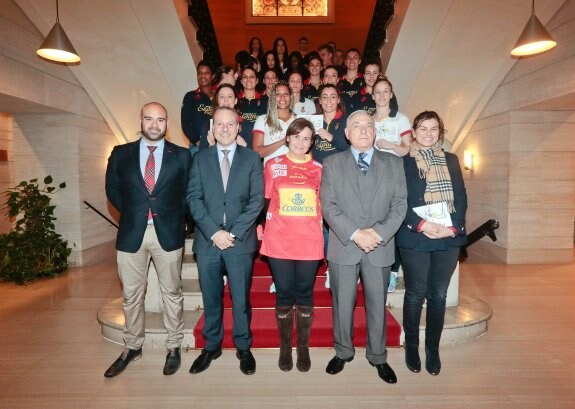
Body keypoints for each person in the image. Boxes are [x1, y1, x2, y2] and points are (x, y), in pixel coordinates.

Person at [104, 102, 191, 378]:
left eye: (161, 120)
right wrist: (134, 213)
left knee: (172, 294)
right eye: (149, 119)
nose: (155, 124)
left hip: (168, 232)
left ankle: (174, 345)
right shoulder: (120, 154)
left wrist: (179, 219)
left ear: (167, 124)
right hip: (132, 233)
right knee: (131, 296)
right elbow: (113, 190)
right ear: (140, 120)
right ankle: (132, 347)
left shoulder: (182, 155)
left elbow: (188, 193)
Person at [320, 110, 407, 384]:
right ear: (346, 133)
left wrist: (377, 234)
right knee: (342, 304)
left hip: (380, 247)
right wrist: (356, 234)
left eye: (368, 125)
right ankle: (343, 352)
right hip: (344, 245)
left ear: (375, 131)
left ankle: (378, 356)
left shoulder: (394, 164)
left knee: (377, 305)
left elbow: (400, 205)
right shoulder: (332, 163)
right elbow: (329, 206)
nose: (363, 130)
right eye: (356, 125)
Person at [187, 106, 264, 376]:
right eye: (219, 124)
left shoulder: (252, 159)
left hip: (239, 241)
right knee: (211, 297)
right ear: (212, 128)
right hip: (208, 242)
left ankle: (243, 346)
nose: (225, 129)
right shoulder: (200, 158)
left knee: (241, 298)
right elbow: (193, 199)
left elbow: (256, 201)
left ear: (238, 127)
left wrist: (232, 233)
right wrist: (213, 232)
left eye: (230, 124)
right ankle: (212, 346)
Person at [396, 111, 467, 376]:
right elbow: (398, 201)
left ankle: (432, 349)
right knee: (415, 294)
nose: (428, 133)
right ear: (413, 132)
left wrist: (452, 228)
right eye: (423, 128)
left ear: (440, 132)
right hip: (416, 235)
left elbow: (460, 197)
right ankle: (412, 347)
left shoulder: (451, 159)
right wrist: (423, 225)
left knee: (438, 295)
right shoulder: (402, 162)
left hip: (448, 237)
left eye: (434, 129)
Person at [260, 118, 323, 372]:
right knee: (285, 292)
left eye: (306, 138)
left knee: (305, 293)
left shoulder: (320, 168)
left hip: (309, 240)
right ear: (287, 138)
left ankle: (303, 347)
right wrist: (261, 228)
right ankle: (286, 346)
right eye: (296, 136)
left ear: (311, 142)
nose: (301, 142)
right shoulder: (273, 165)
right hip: (280, 240)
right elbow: (265, 201)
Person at [371, 77, 413, 293]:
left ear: (391, 93)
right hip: (373, 177)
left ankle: (393, 273)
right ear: (372, 95)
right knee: (375, 221)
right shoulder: (369, 119)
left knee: (393, 224)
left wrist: (389, 144)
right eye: (377, 92)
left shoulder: (401, 119)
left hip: (395, 176)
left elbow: (408, 149)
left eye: (385, 91)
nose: (381, 95)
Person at [252, 81, 296, 164]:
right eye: (278, 94)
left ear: (291, 97)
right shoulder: (262, 120)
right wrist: (282, 142)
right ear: (272, 98)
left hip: (294, 172)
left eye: (286, 94)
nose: (282, 97)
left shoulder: (299, 120)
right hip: (271, 173)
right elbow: (257, 153)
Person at [181, 61, 214, 152]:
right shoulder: (190, 96)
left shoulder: (219, 97)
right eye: (200, 73)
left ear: (212, 76)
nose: (202, 76)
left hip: (217, 147)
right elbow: (185, 123)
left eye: (206, 73)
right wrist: (197, 141)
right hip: (197, 148)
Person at [312, 84, 348, 164]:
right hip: (317, 170)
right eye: (325, 97)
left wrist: (332, 138)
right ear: (320, 101)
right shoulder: (313, 120)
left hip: (339, 169)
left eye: (333, 97)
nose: (329, 101)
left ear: (338, 100)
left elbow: (352, 148)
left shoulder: (347, 120)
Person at [338, 49, 365, 113]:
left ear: (359, 61)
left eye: (355, 58)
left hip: (360, 116)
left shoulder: (365, 80)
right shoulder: (338, 81)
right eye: (349, 58)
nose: (351, 60)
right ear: (345, 61)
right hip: (342, 116)